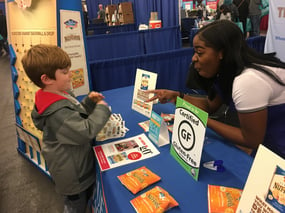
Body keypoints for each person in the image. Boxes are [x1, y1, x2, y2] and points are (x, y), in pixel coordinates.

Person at [146, 20, 285, 159]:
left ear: (221, 53)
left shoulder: (248, 80)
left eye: (199, 52)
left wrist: (200, 119)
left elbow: (251, 140)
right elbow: (209, 105)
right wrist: (177, 97)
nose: (194, 58)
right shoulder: (228, 72)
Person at [21, 44, 111, 212]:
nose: (70, 74)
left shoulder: (55, 94)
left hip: (74, 165)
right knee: (74, 206)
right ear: (46, 79)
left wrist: (89, 103)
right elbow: (84, 131)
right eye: (64, 72)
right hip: (74, 177)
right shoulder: (56, 112)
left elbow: (74, 116)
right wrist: (102, 109)